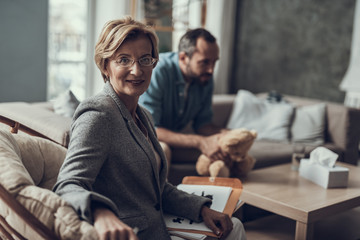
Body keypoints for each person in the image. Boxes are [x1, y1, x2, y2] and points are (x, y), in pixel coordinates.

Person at [53, 17, 246, 240]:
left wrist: (201, 209)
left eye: (145, 59)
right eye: (123, 60)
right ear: (105, 65)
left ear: (154, 62)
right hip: (132, 233)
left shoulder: (142, 115)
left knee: (233, 225)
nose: (136, 71)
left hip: (157, 226)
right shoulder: (98, 115)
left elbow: (157, 189)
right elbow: (67, 185)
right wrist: (101, 212)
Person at [138, 28, 229, 166]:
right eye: (204, 62)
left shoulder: (205, 77)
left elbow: (202, 124)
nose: (211, 70)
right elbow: (150, 129)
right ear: (183, 58)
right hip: (145, 138)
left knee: (223, 151)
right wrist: (199, 141)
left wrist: (225, 134)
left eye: (214, 62)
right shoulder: (158, 71)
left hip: (173, 139)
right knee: (163, 150)